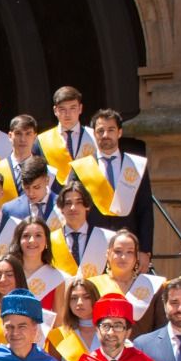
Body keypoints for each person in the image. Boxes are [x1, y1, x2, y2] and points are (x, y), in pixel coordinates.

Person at [73, 109, 154, 267]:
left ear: (120, 132)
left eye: (111, 130)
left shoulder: (135, 166)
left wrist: (145, 250)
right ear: (94, 134)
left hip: (128, 246)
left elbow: (145, 210)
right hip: (93, 247)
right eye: (100, 131)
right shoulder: (82, 168)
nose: (105, 135)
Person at [90, 229, 162, 336]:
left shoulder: (152, 286)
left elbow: (160, 327)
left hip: (142, 350)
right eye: (118, 251)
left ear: (136, 257)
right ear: (108, 254)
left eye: (129, 252)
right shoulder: (92, 285)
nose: (123, 257)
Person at [51, 180, 112, 278]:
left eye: (79, 202)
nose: (73, 208)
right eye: (68, 203)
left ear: (87, 206)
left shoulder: (105, 238)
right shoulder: (50, 241)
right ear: (61, 208)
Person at [33, 85, 93, 183]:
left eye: (72, 108)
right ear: (55, 111)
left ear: (80, 108)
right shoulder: (41, 141)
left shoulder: (94, 137)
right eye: (62, 109)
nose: (67, 114)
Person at [48, 277, 100, 361]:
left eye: (86, 297)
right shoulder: (59, 336)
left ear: (95, 299)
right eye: (74, 298)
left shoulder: (109, 331)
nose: (79, 302)